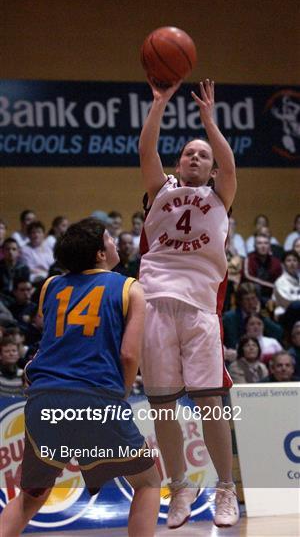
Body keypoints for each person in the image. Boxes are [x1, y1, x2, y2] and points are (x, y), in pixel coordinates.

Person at [0, 217, 160, 537]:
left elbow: (54, 337)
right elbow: (129, 355)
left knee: (32, 494)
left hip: (44, 398)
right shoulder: (130, 287)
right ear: (100, 253)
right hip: (96, 397)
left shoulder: (51, 286)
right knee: (148, 483)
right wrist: (122, 393)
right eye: (110, 238)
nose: (115, 242)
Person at [138, 78, 239, 528]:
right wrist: (159, 105)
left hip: (199, 309)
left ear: (212, 167)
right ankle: (180, 485)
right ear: (179, 163)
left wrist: (209, 123)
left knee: (211, 402)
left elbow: (231, 164)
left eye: (203, 154)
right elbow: (146, 152)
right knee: (162, 406)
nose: (195, 157)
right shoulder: (160, 191)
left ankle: (225, 487)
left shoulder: (220, 195)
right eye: (189, 153)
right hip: (156, 304)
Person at [222, 282, 283, 350]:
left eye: (253, 298)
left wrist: (258, 316)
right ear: (240, 301)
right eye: (247, 299)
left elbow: (278, 332)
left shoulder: (261, 315)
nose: (251, 303)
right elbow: (232, 343)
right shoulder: (230, 318)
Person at [243, 234, 282, 306]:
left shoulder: (276, 262)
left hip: (271, 293)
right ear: (255, 246)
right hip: (252, 292)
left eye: (266, 243)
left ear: (269, 246)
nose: (263, 246)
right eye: (259, 243)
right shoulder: (248, 259)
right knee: (256, 287)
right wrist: (272, 286)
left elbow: (280, 280)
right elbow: (248, 277)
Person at [272, 250, 300, 319]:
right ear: (283, 264)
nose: (292, 263)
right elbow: (288, 303)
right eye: (289, 261)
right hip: (284, 314)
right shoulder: (280, 282)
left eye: (295, 260)